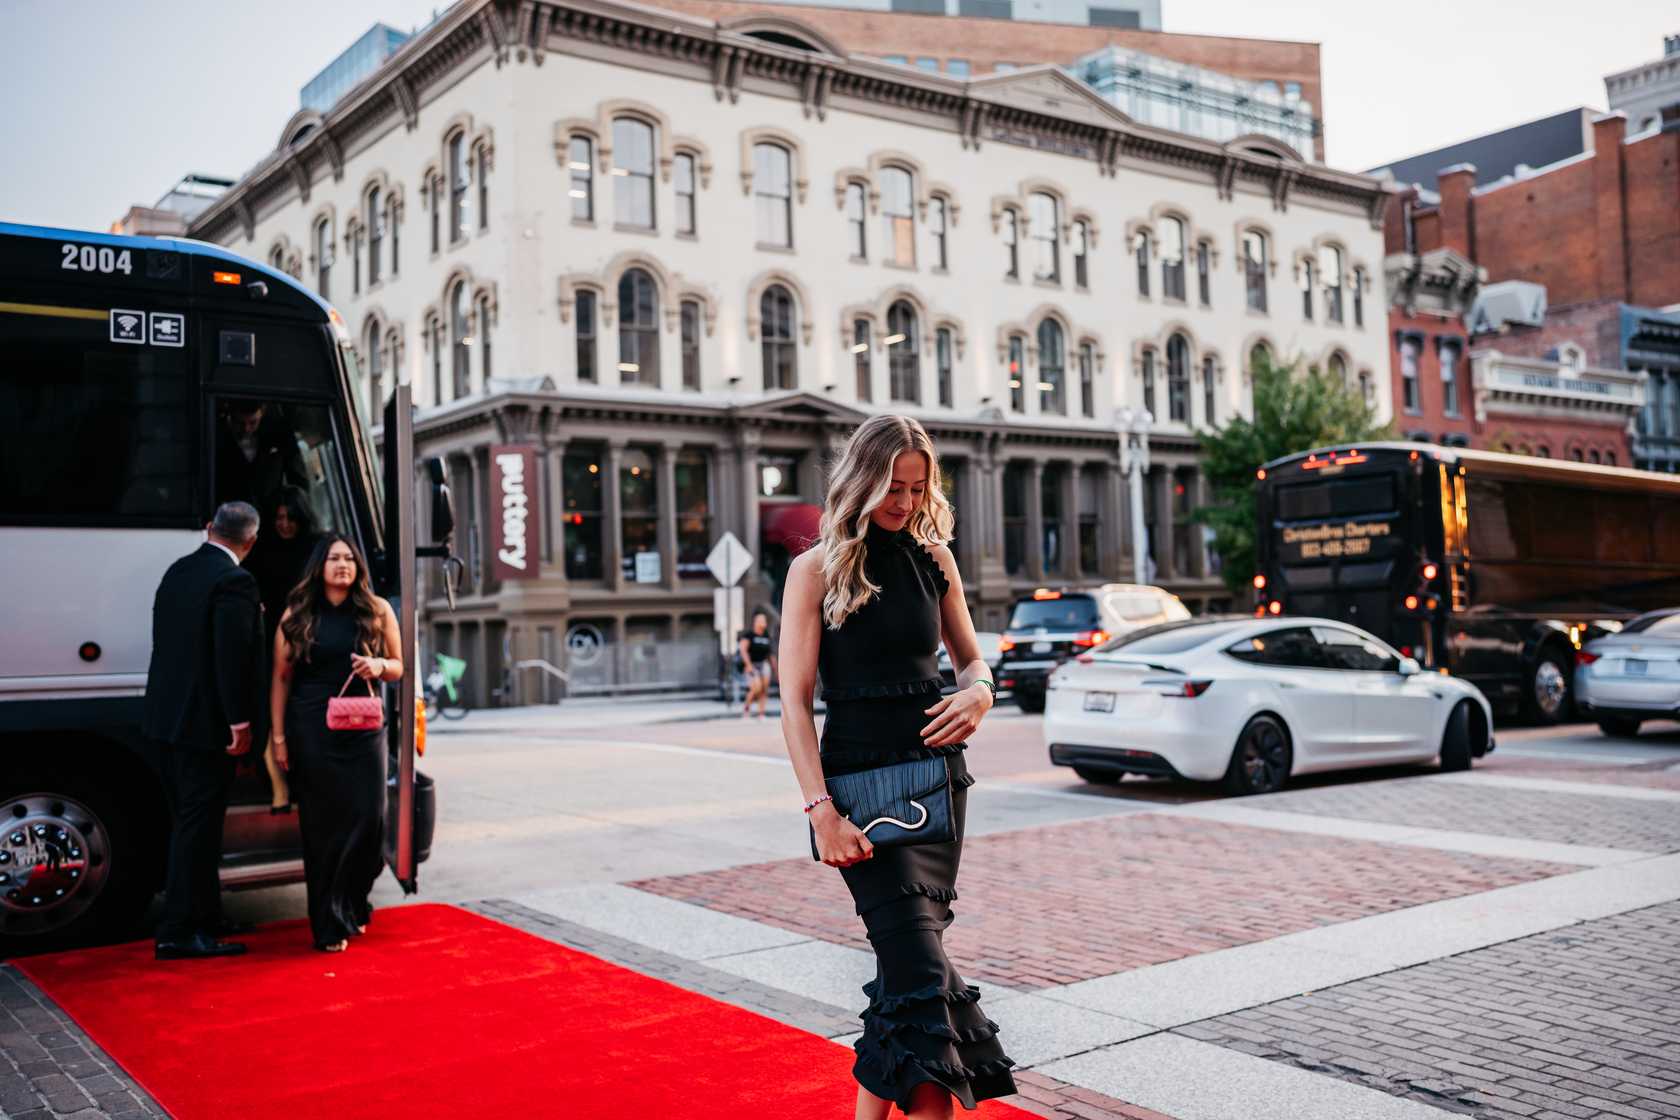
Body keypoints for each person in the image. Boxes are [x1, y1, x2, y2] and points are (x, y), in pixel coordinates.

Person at [776, 415, 1016, 1119]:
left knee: (904, 981)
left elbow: (972, 656)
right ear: (863, 478)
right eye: (893, 487)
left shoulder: (934, 559)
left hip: (937, 785)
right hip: (856, 795)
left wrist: (981, 690)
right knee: (920, 973)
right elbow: (792, 704)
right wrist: (821, 813)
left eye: (917, 489)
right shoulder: (815, 568)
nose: (906, 502)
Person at [141, 501, 266, 960]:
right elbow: (229, 658)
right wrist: (239, 722)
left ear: (209, 528)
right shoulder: (236, 581)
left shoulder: (178, 571)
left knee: (190, 824)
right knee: (199, 830)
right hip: (204, 728)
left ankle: (206, 916)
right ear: (250, 543)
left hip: (164, 721)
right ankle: (178, 931)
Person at [269, 536, 402, 952]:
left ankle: (352, 900)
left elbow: (399, 667)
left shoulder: (377, 609)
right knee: (322, 829)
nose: (342, 565)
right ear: (319, 566)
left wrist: (378, 665)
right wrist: (278, 737)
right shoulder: (298, 614)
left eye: (349, 558)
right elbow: (280, 679)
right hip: (312, 727)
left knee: (370, 822)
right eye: (333, 558)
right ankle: (328, 923)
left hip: (363, 729)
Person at [247, 486, 320, 813]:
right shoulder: (263, 550)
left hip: (305, 634)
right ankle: (279, 790)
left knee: (300, 713)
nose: (284, 524)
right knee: (268, 712)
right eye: (279, 518)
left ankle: (301, 785)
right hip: (268, 636)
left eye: (290, 518)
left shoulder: (316, 549)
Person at [214, 400, 305, 509]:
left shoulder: (279, 432)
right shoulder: (215, 434)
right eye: (239, 423)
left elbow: (298, 479)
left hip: (271, 516)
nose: (246, 429)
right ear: (230, 414)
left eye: (253, 422)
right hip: (230, 515)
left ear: (263, 412)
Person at [737, 610, 776, 720]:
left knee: (764, 689)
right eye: (761, 620)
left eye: (764, 620)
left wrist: (775, 668)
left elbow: (770, 653)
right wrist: (748, 665)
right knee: (756, 687)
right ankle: (746, 709)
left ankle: (761, 713)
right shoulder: (749, 635)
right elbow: (743, 650)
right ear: (755, 622)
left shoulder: (766, 635)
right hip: (752, 664)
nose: (763, 622)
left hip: (763, 663)